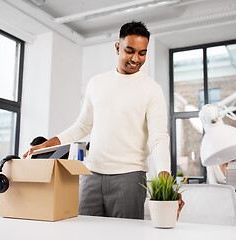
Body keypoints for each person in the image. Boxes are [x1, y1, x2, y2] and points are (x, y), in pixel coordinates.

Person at [23, 21, 184, 219]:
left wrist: (165, 180)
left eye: (142, 53)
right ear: (117, 48)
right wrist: (47, 145)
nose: (135, 58)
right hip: (91, 175)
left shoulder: (151, 89)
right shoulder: (96, 83)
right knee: (86, 232)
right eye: (130, 50)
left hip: (130, 178)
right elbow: (82, 126)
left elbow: (158, 137)